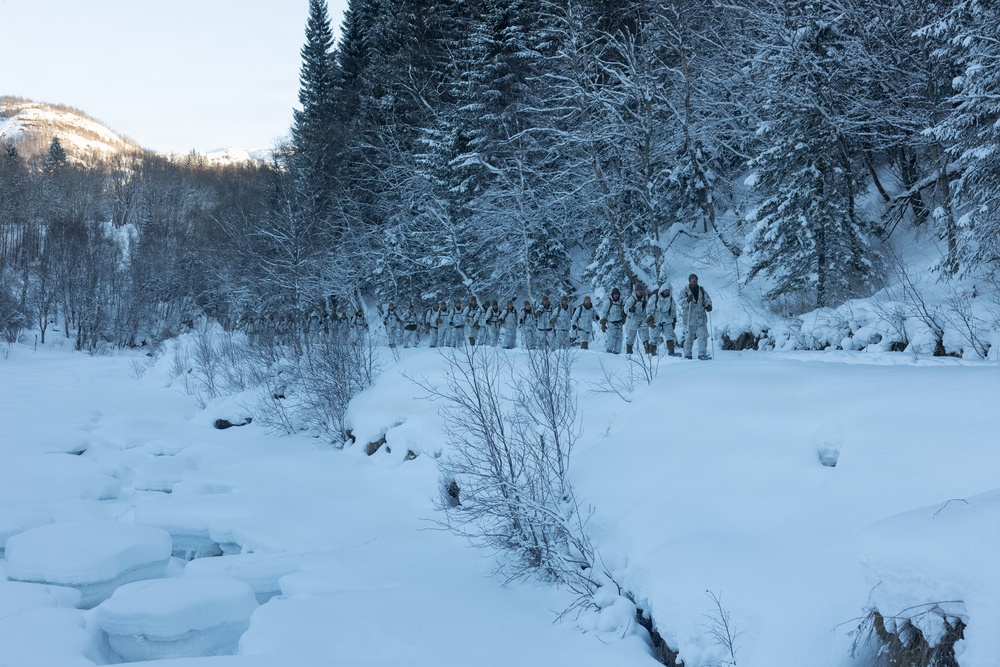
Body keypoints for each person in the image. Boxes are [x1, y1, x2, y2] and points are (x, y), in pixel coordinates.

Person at [679, 273, 713, 360]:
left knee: (703, 335)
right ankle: (687, 354)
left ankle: (702, 354)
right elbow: (679, 301)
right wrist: (687, 300)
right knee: (689, 337)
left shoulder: (701, 290)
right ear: (689, 280)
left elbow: (707, 299)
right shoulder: (685, 291)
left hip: (700, 317)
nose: (694, 279)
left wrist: (708, 306)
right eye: (692, 278)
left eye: (695, 278)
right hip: (689, 317)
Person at [648, 286, 681, 356]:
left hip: (667, 321)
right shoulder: (654, 297)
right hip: (656, 320)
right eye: (665, 290)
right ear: (662, 290)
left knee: (670, 336)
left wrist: (674, 319)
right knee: (654, 336)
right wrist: (650, 318)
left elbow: (673, 310)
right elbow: (649, 308)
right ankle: (652, 353)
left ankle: (671, 352)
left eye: (668, 290)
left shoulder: (671, 299)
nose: (666, 291)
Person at [623, 283, 649, 355]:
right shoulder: (632, 299)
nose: (640, 291)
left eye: (641, 290)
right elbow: (625, 309)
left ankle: (648, 352)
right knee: (631, 337)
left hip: (643, 318)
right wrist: (630, 310)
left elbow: (649, 307)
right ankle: (629, 353)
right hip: (633, 319)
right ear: (636, 291)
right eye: (638, 290)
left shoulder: (646, 298)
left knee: (645, 337)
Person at [600, 288, 625, 354]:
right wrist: (603, 324)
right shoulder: (608, 302)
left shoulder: (621, 302)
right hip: (611, 322)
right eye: (614, 294)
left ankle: (617, 352)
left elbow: (623, 311)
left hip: (619, 322)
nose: (616, 295)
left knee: (619, 338)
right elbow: (604, 312)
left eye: (617, 294)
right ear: (612, 295)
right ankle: (609, 351)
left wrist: (624, 318)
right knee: (611, 338)